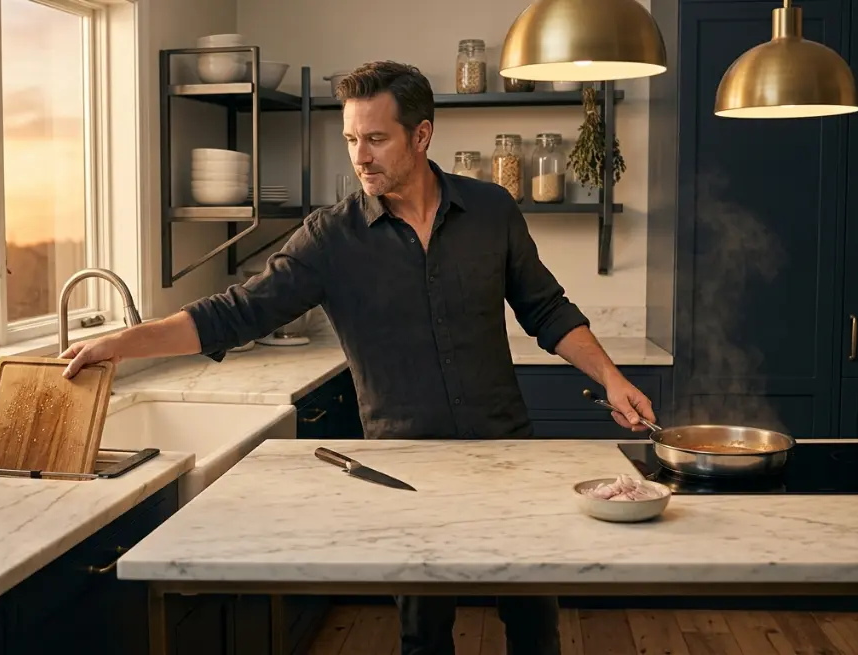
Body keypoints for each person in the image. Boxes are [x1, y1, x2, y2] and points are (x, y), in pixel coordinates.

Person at [60, 60, 656, 655]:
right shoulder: (330, 238)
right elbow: (234, 312)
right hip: (402, 472)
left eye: (375, 138)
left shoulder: (492, 210)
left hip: (505, 454)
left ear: (421, 136)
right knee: (424, 636)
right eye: (351, 139)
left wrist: (612, 379)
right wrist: (122, 342)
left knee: (534, 626)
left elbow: (545, 308)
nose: (360, 156)